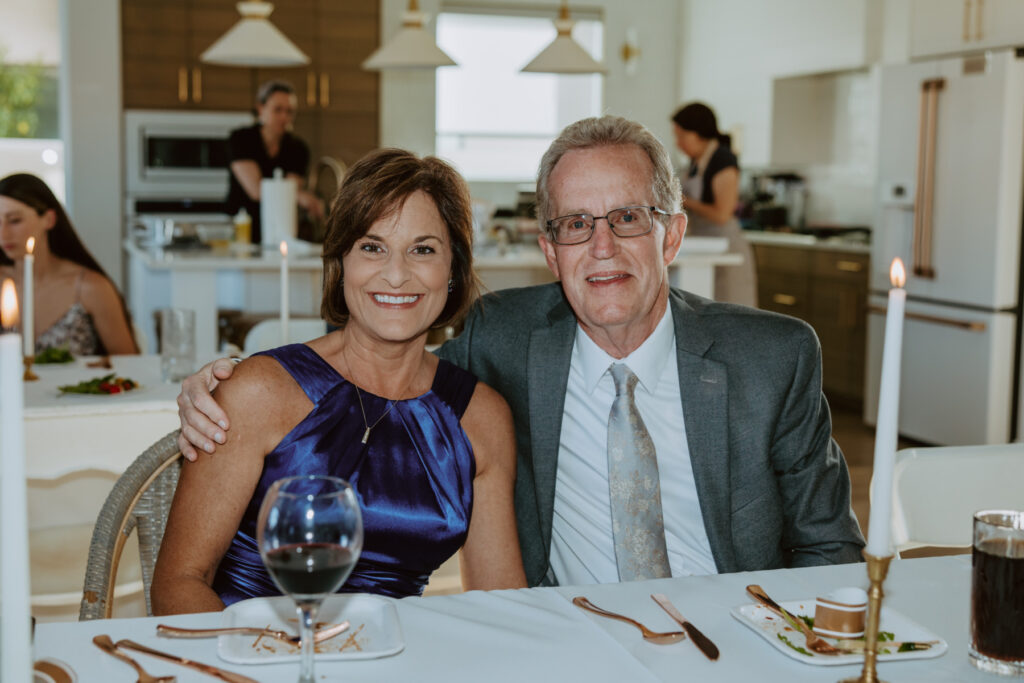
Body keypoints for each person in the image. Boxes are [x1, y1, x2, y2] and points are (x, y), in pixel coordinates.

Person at [178, 116, 864, 588]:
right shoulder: (499, 338)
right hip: (570, 646)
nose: (601, 247)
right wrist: (219, 381)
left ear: (673, 236)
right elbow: (376, 360)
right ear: (548, 249)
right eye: (574, 224)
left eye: (627, 218)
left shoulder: (773, 358)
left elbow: (829, 551)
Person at [151, 149, 525, 615]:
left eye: (423, 249)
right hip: (246, 657)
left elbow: (503, 607)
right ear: (341, 262)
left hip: (388, 659)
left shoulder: (480, 418)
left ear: (453, 270)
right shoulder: (258, 392)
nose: (396, 272)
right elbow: (178, 585)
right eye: (372, 247)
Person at [0, 173, 138, 355]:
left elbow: (129, 364)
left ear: (49, 219)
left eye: (15, 220)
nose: (3, 233)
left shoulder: (90, 288)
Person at [671, 102, 758, 307]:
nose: (678, 143)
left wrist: (684, 201)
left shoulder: (723, 160)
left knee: (730, 313)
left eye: (682, 136)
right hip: (702, 245)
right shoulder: (692, 163)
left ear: (698, 133)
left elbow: (722, 214)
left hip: (725, 246)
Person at [226, 80, 324, 245]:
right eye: (278, 110)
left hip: (281, 231)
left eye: (290, 111)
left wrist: (298, 196)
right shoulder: (241, 139)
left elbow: (290, 190)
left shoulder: (298, 148)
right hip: (242, 229)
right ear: (260, 108)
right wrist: (300, 197)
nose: (284, 117)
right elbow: (256, 191)